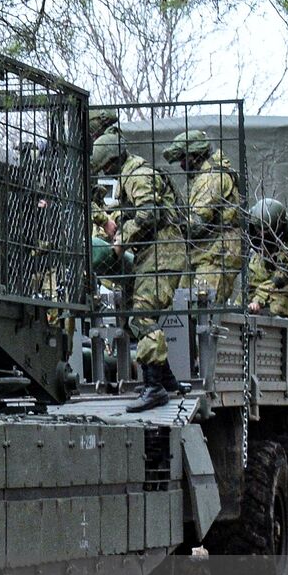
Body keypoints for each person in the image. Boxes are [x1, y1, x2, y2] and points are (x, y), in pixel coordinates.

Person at [90, 133, 185, 411]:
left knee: (143, 316)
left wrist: (121, 240)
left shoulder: (139, 175)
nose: (106, 172)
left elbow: (148, 215)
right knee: (138, 317)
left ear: (114, 160)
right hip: (151, 253)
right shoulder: (128, 178)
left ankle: (155, 387)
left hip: (163, 253)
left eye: (106, 166)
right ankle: (165, 381)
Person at [163, 129, 244, 303]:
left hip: (218, 254)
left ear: (195, 155)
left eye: (183, 159)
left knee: (201, 308)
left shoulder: (211, 178)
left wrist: (167, 219)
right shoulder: (199, 178)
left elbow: (196, 224)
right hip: (202, 252)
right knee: (180, 303)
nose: (181, 164)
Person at [246, 198, 288, 317]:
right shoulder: (252, 222)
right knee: (244, 301)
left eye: (266, 231)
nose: (261, 234)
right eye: (259, 229)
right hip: (264, 260)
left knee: (278, 308)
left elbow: (283, 273)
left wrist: (259, 299)